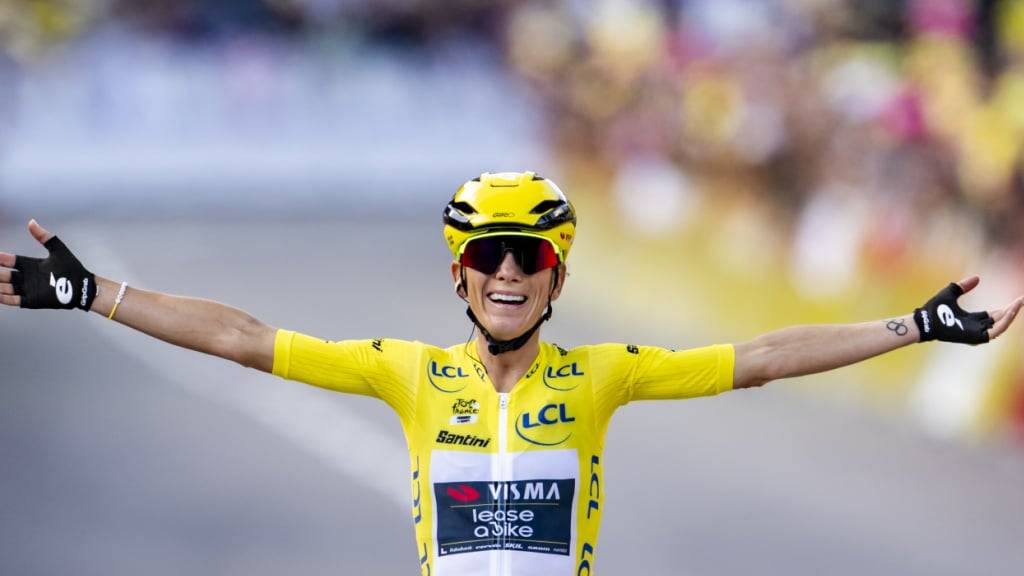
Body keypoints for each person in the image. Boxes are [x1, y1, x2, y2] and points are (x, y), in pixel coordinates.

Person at [1, 171, 1021, 576]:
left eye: (527, 256)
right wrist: (97, 295)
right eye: (486, 255)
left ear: (555, 275)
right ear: (458, 275)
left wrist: (912, 325)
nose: (505, 273)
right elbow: (244, 338)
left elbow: (759, 358)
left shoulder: (605, 375)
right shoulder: (404, 374)